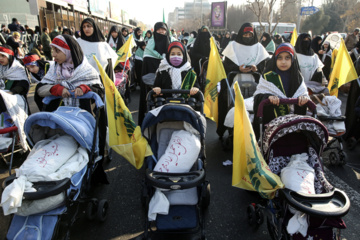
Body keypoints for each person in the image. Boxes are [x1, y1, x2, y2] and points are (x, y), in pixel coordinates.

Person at [36, 34, 108, 183]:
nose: (53, 55)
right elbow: (40, 89)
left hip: (83, 119)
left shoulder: (86, 70)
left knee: (82, 147)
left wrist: (85, 88)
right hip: (59, 120)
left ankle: (87, 175)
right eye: (52, 51)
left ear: (68, 51)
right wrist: (56, 89)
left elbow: (99, 90)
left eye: (57, 51)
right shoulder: (53, 69)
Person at [217, 23, 270, 137]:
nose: (247, 36)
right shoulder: (233, 46)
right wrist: (237, 68)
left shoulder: (259, 47)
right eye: (245, 34)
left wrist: (256, 69)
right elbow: (226, 65)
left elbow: (263, 66)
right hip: (234, 81)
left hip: (254, 81)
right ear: (241, 33)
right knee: (230, 102)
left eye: (250, 34)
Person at [253, 43, 309, 139]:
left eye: (287, 58)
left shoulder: (297, 76)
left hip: (293, 125)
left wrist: (303, 99)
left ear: (293, 59)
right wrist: (267, 97)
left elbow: (303, 94)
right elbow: (258, 96)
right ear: (275, 59)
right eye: (279, 58)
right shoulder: (267, 76)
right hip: (271, 124)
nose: (283, 62)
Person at [139, 22, 171, 126]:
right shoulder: (149, 46)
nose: (161, 32)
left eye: (163, 30)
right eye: (159, 30)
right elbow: (146, 68)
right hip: (152, 84)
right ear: (155, 31)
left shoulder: (172, 42)